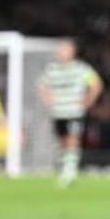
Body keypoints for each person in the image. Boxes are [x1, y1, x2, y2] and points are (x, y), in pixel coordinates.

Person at [37, 40, 103, 186]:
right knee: (62, 141)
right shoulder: (52, 69)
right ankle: (66, 167)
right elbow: (41, 85)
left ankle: (70, 170)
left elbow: (96, 84)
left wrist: (88, 100)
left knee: (72, 139)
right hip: (58, 112)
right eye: (59, 50)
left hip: (74, 112)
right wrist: (47, 98)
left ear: (72, 52)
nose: (60, 53)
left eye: (64, 50)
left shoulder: (81, 68)